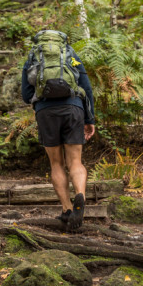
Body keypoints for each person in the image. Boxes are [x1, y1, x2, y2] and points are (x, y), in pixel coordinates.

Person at [21, 30, 95, 230]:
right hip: (73, 108)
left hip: (46, 111)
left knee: (56, 163)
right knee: (75, 162)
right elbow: (86, 87)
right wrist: (90, 119)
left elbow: (26, 94)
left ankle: (67, 209)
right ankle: (80, 195)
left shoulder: (33, 58)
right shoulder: (71, 55)